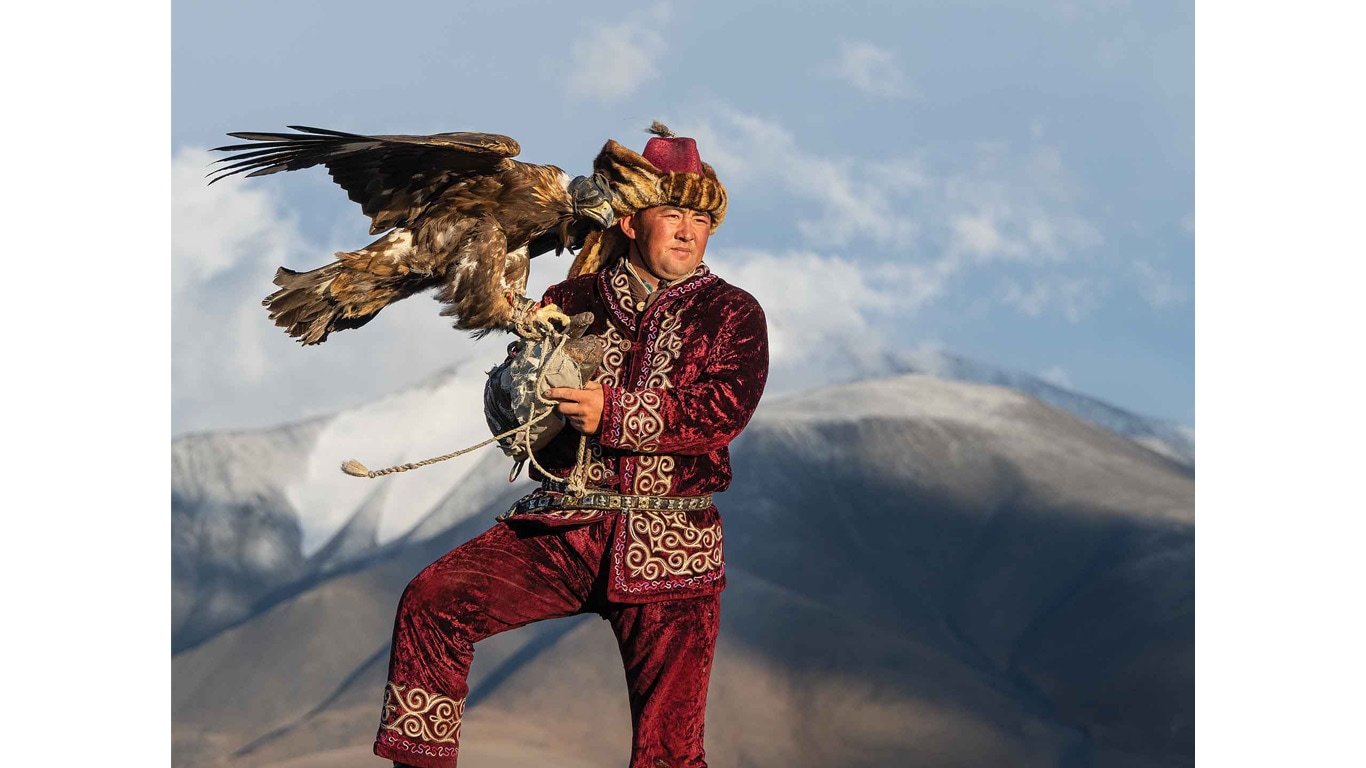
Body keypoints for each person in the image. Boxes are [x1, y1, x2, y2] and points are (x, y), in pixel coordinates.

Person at [373, 126, 769, 768]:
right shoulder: (569, 300)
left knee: (668, 753)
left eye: (701, 218)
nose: (688, 230)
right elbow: (518, 412)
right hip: (565, 524)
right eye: (673, 213)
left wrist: (610, 411)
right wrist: (513, 400)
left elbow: (722, 411)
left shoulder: (731, 313)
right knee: (433, 600)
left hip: (672, 545)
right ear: (634, 218)